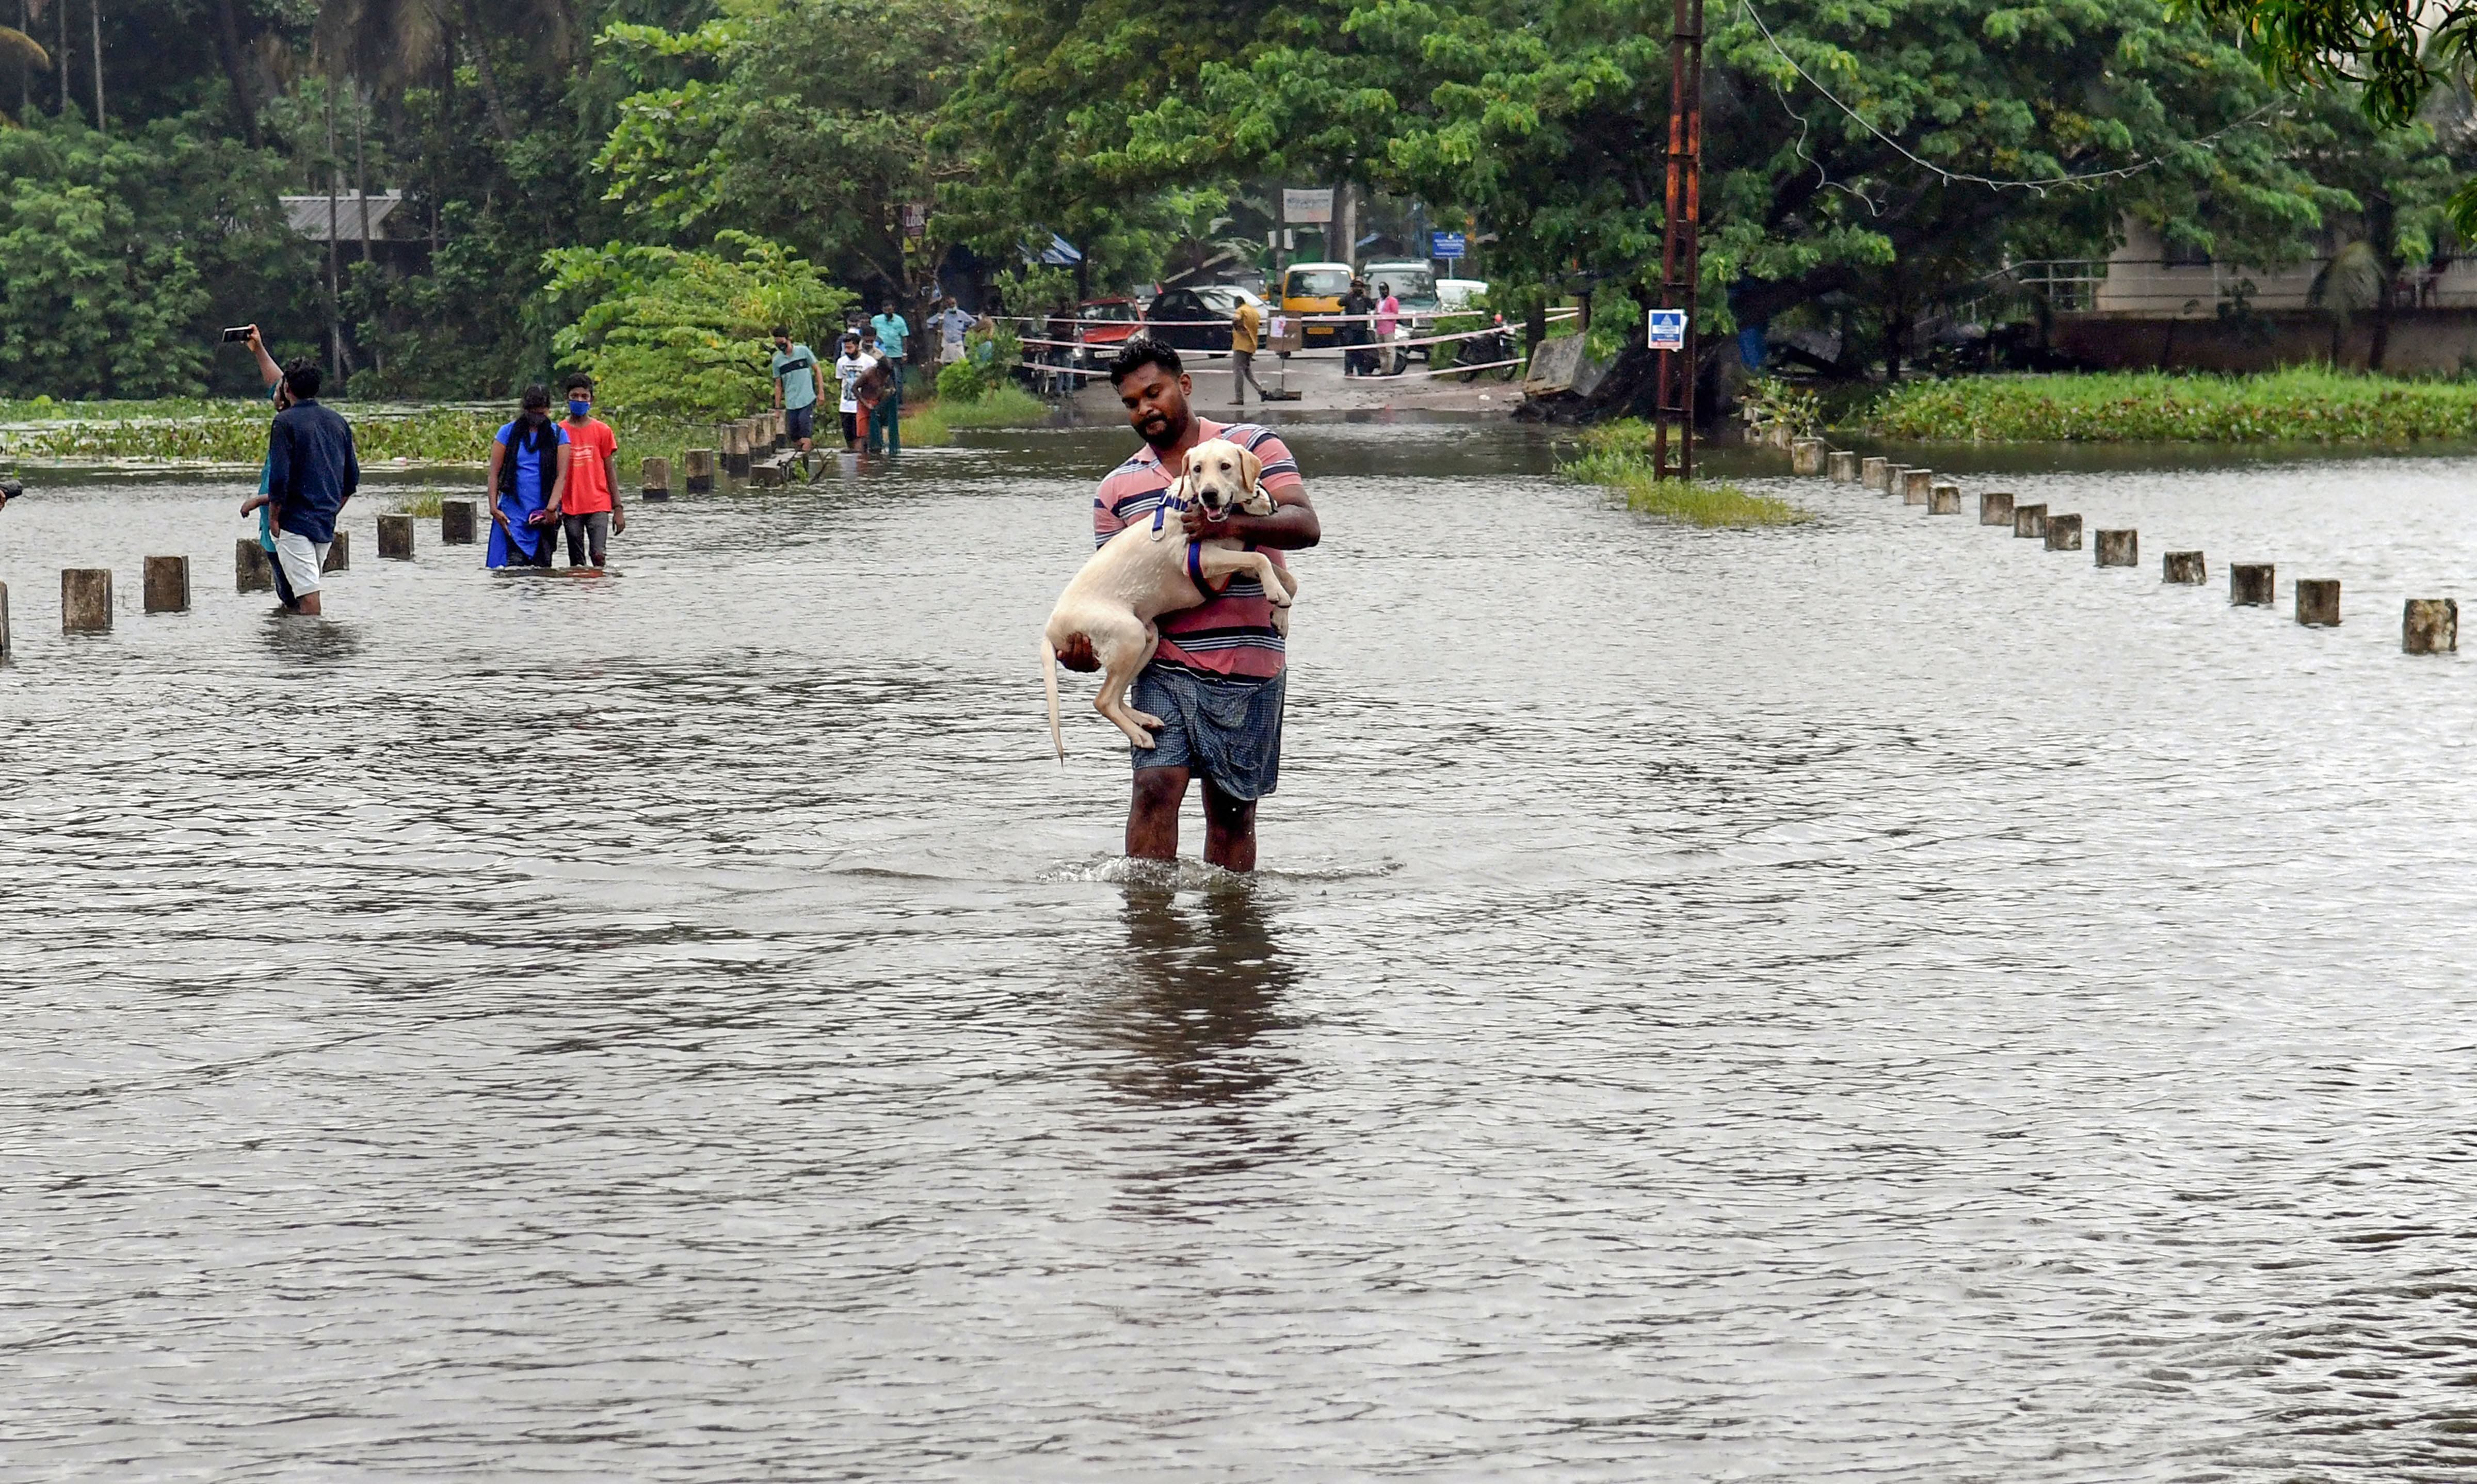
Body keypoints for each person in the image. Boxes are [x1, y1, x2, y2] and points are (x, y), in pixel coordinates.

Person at [1055, 336, 1320, 872]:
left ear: (1185, 385)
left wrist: (1228, 522)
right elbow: (1115, 592)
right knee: (1154, 787)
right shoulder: (1117, 489)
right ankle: (1153, 940)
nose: (1145, 408)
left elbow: (1305, 526)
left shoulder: (1253, 447)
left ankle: (1233, 944)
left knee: (1231, 812)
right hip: (1166, 664)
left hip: (1250, 662)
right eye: (1132, 402)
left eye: (1154, 392)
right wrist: (1087, 651)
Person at [262, 359, 359, 618]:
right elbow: (351, 481)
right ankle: (303, 645)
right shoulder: (338, 421)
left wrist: (274, 518)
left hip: (294, 522)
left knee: (307, 596)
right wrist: (331, 511)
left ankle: (312, 651)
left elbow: (280, 477)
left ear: (288, 389)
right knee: (305, 588)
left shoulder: (285, 423)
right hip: (324, 521)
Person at [231, 325, 300, 604]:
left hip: (285, 524)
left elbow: (292, 482)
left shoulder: (290, 426)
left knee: (295, 596)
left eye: (281, 389)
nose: (275, 389)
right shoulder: (295, 417)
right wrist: (258, 348)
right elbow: (276, 379)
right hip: (283, 526)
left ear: (287, 396)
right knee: (291, 595)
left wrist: (259, 502)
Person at [485, 385, 565, 569]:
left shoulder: (559, 435)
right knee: (514, 568)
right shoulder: (507, 433)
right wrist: (493, 508)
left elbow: (562, 475)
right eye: (532, 412)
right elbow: (494, 474)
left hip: (544, 513)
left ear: (548, 410)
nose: (537, 417)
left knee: (542, 571)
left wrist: (552, 508)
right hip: (512, 513)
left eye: (541, 412)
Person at [552, 372, 624, 568]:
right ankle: (577, 595)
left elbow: (610, 471)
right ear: (567, 398)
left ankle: (600, 592)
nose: (580, 400)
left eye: (584, 397)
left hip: (598, 503)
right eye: (575, 396)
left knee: (598, 555)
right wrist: (552, 507)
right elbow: (553, 473)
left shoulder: (603, 431)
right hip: (570, 505)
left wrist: (618, 508)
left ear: (592, 400)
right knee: (576, 562)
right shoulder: (558, 432)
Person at [770, 327, 822, 457]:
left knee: (806, 433)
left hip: (806, 399)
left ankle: (805, 463)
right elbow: (778, 385)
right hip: (791, 402)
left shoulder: (803, 352)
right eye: (777, 343)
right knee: (794, 435)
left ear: (788, 340)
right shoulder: (777, 361)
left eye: (782, 342)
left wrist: (821, 392)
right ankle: (800, 458)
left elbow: (817, 369)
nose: (780, 346)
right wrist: (777, 408)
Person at [868, 301, 909, 447]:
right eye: (885, 308)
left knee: (897, 378)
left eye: (890, 308)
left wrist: (905, 353)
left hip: (896, 354)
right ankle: (882, 401)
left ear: (894, 308)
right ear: (883, 309)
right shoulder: (876, 320)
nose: (888, 310)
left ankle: (898, 402)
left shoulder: (899, 321)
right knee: (881, 380)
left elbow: (904, 337)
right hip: (880, 356)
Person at [858, 331, 900, 456]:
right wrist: (866, 404)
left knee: (877, 432)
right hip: (865, 404)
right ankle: (864, 457)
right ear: (879, 369)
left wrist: (890, 392)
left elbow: (891, 388)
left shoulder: (887, 375)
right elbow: (855, 389)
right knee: (864, 435)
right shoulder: (868, 374)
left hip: (878, 405)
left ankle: (877, 454)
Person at [832, 330, 874, 451]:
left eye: (850, 348)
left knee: (861, 438)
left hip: (862, 406)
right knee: (849, 438)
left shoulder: (869, 362)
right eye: (846, 348)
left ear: (857, 346)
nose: (847, 351)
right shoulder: (841, 362)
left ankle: (861, 462)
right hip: (846, 405)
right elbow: (840, 381)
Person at [1230, 294, 1267, 405]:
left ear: (1237, 303)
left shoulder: (1241, 310)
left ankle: (1239, 398)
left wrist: (1238, 328)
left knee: (1238, 370)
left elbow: (1236, 320)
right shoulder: (1253, 311)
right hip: (1252, 344)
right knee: (1247, 369)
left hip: (1241, 345)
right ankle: (1261, 389)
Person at [1340, 278, 1373, 377]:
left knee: (1362, 352)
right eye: (1356, 286)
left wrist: (1366, 296)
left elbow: (1372, 306)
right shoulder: (1349, 298)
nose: (1358, 288)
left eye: (1360, 286)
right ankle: (1349, 371)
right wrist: (1348, 294)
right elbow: (1339, 303)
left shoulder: (1364, 299)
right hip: (1350, 329)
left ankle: (1362, 371)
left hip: (1362, 329)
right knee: (1350, 351)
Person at [931, 296, 973, 367]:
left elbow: (973, 323)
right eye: (949, 304)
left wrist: (967, 331)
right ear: (946, 305)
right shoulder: (942, 315)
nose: (951, 306)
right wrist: (937, 330)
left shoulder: (961, 314)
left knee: (963, 364)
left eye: (953, 303)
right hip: (945, 344)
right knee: (940, 364)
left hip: (957, 343)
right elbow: (929, 323)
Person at [1374, 281, 1403, 376]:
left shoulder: (1393, 301)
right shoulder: (1379, 301)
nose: (1383, 292)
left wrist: (1382, 315)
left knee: (1390, 350)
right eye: (1381, 290)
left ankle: (1390, 370)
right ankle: (1383, 370)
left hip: (1389, 329)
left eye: (1385, 289)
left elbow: (1395, 315)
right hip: (1379, 329)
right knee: (1381, 351)